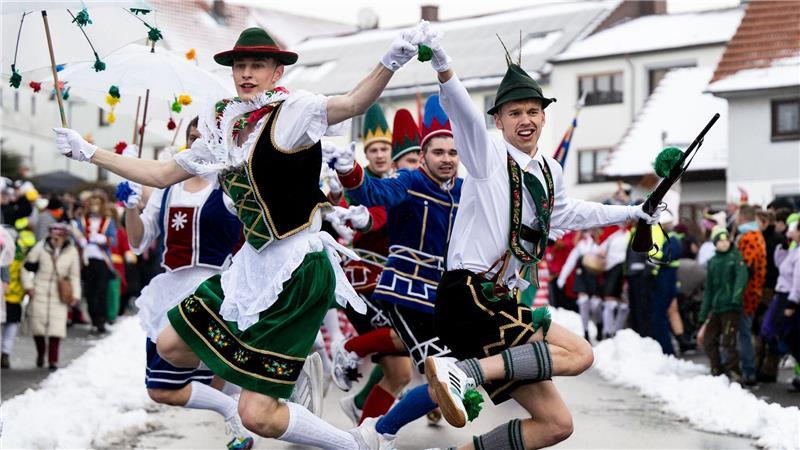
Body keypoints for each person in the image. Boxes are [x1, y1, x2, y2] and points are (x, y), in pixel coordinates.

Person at [52, 24, 429, 449]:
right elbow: (160, 173)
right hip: (251, 265)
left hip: (298, 268)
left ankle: (356, 442)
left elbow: (354, 101)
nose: (247, 73)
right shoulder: (224, 127)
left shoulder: (294, 112)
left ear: (276, 73)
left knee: (258, 417)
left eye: (257, 65)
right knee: (171, 344)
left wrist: (391, 61)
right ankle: (277, 371)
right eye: (240, 65)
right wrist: (89, 151)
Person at [373, 25, 659, 450]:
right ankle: (466, 372)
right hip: (467, 294)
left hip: (498, 298)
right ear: (499, 120)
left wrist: (634, 210)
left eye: (532, 111)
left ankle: (455, 408)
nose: (525, 120)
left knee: (556, 424)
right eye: (514, 113)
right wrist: (441, 61)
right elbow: (461, 111)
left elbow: (571, 212)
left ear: (544, 116)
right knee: (580, 355)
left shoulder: (549, 169)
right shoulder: (486, 155)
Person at [116, 118, 253, 450]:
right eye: (192, 137)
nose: (196, 144)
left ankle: (248, 414)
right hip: (169, 290)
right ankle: (250, 411)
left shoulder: (229, 186)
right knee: (171, 385)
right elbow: (137, 242)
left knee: (187, 380)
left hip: (212, 288)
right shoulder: (166, 187)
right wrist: (132, 206)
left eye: (204, 138)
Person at [330, 94, 462, 430]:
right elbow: (375, 197)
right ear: (422, 157)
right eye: (438, 152)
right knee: (439, 368)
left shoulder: (461, 190)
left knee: (403, 372)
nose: (446, 159)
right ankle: (377, 428)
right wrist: (349, 173)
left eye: (453, 152)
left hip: (436, 290)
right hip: (395, 285)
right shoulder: (409, 181)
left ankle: (369, 426)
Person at [21, 223, 81, 369]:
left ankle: (53, 359)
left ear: (64, 237)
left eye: (58, 237)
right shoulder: (41, 247)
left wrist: (75, 294)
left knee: (57, 327)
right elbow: (25, 266)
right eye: (52, 236)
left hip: (59, 292)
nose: (54, 239)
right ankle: (41, 353)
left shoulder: (71, 251)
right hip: (40, 289)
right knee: (38, 327)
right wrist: (28, 286)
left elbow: (74, 275)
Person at [698, 227, 748, 382]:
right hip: (716, 307)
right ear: (715, 243)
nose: (724, 243)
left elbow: (742, 278)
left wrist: (736, 297)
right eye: (720, 241)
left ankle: (734, 372)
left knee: (729, 341)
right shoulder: (713, 262)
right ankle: (716, 369)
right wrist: (703, 312)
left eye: (726, 240)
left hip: (730, 308)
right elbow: (709, 289)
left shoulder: (735, 258)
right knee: (709, 340)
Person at [72, 191, 117, 335]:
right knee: (90, 292)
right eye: (92, 203)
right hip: (86, 260)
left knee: (101, 291)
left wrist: (104, 239)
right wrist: (80, 241)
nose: (94, 207)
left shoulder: (108, 221)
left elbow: (114, 240)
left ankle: (101, 321)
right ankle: (93, 319)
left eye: (97, 203)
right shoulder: (82, 220)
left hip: (102, 259)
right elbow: (76, 237)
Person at [735, 204, 767, 385]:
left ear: (742, 217)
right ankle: (747, 368)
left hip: (747, 292)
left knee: (744, 333)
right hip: (750, 291)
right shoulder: (753, 236)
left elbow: (744, 267)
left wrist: (736, 291)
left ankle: (748, 371)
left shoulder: (750, 237)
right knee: (744, 332)